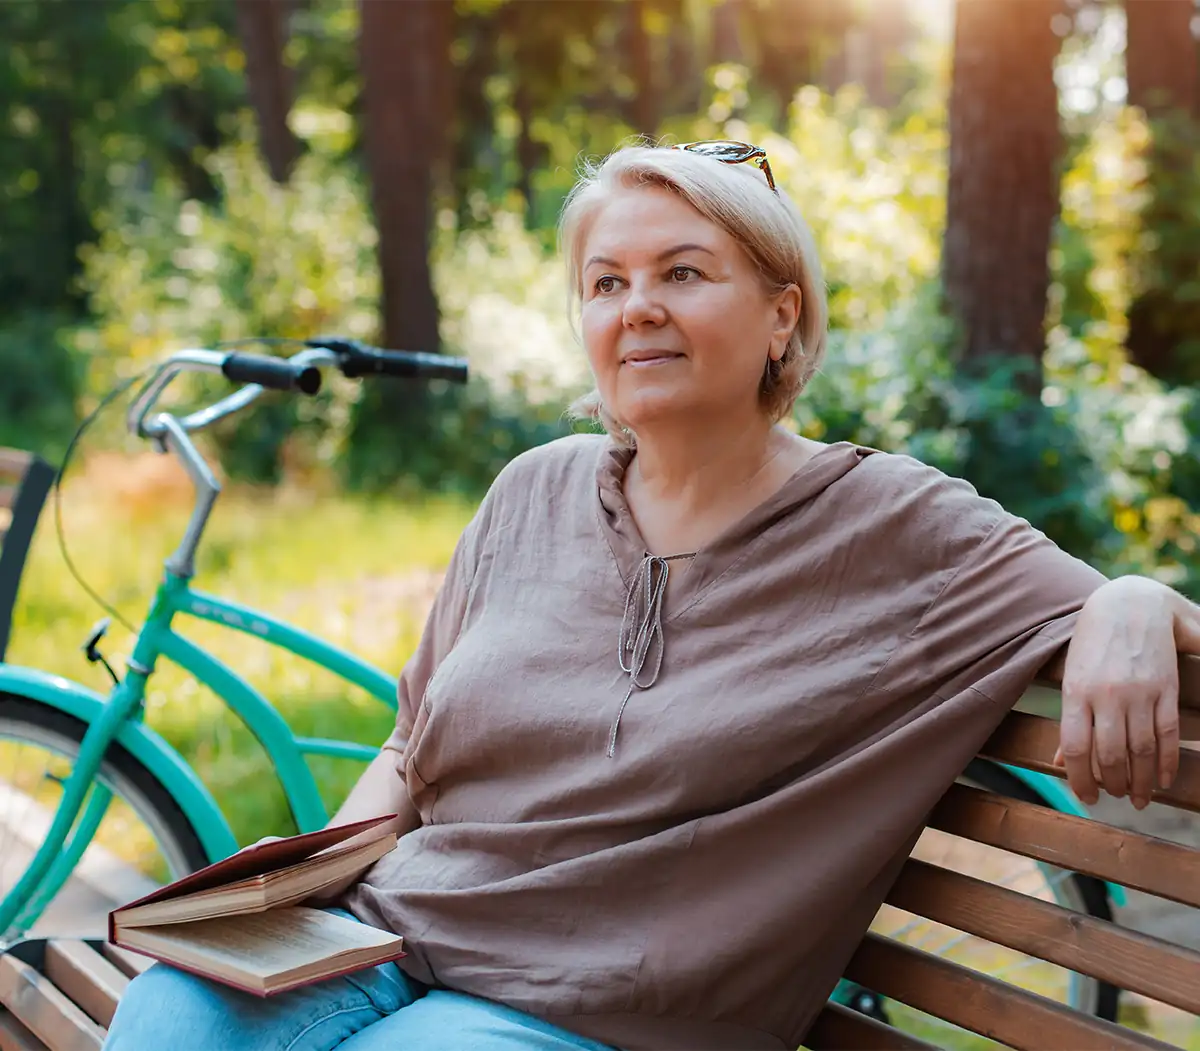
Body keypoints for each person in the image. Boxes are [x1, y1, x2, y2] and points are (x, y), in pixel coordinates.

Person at [104, 140, 1200, 1051]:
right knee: (165, 1020)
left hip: (602, 1004)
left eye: (683, 273)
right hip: (396, 928)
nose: (639, 309)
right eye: (607, 282)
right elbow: (411, 743)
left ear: (781, 315)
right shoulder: (531, 489)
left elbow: (1115, 608)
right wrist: (308, 898)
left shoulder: (896, 525)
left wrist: (1137, 596)